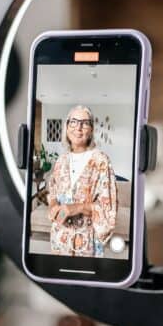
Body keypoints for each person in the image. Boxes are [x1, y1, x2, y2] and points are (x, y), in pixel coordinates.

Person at [46, 105, 117, 257]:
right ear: (66, 126)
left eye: (84, 123)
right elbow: (52, 191)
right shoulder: (61, 160)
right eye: (73, 122)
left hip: (85, 244)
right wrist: (52, 205)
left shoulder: (101, 161)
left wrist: (77, 208)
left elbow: (108, 208)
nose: (78, 127)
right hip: (59, 239)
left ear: (91, 130)